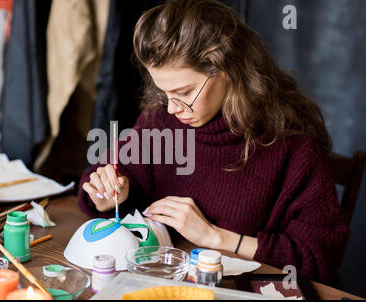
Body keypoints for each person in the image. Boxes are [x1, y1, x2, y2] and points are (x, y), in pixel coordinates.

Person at [77, 0, 349, 285]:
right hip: (163, 282)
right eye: (163, 91)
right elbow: (108, 175)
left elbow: (317, 257)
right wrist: (106, 192)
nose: (172, 108)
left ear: (227, 69)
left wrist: (214, 236)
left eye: (184, 91)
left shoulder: (292, 145)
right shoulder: (161, 117)